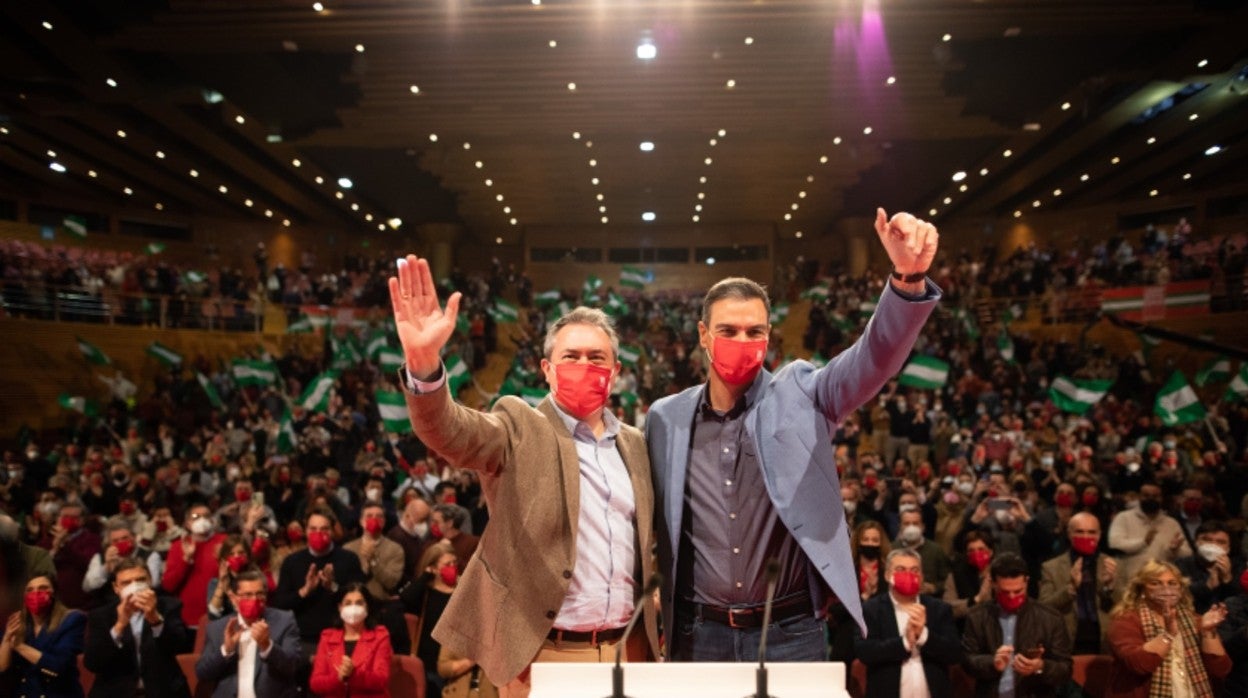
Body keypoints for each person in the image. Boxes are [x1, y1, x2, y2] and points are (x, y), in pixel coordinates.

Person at [646, 208, 940, 660]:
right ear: (703, 335)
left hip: (790, 631)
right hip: (697, 634)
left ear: (769, 336)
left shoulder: (805, 392)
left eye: (754, 331)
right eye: (728, 330)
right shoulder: (665, 418)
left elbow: (873, 359)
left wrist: (906, 281)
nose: (742, 340)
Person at [388, 255, 660, 697]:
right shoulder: (517, 424)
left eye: (597, 358)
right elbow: (450, 430)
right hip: (542, 656)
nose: (584, 365)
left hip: (628, 652)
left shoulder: (635, 443)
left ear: (616, 373)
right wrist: (423, 364)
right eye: (570, 356)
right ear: (547, 369)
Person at [1106, 559, 1230, 698]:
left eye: (1172, 583)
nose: (1166, 588)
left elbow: (1220, 670)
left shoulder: (1195, 619)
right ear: (1142, 590)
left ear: (1181, 589)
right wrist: (1168, 635)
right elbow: (1139, 664)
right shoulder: (1125, 621)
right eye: (1155, 583)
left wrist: (1208, 632)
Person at [961, 553, 1072, 698]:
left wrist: (1040, 666)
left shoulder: (1050, 618)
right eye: (1005, 592)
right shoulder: (977, 616)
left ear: (1026, 582)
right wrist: (992, 663)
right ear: (993, 583)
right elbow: (967, 660)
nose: (1012, 597)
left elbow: (1065, 669)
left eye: (1018, 591)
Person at [854, 549, 962, 698]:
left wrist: (924, 635)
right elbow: (864, 652)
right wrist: (904, 642)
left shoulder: (939, 609)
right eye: (900, 569)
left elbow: (954, 653)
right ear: (887, 575)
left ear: (922, 576)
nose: (908, 574)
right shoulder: (870, 610)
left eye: (915, 570)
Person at [82, 557, 190, 698]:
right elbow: (93, 663)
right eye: (126, 583)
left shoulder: (168, 606)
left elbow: (181, 646)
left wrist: (155, 619)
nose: (134, 586)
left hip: (163, 691)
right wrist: (119, 626)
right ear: (116, 588)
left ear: (150, 581)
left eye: (140, 580)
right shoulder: (101, 615)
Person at [270, 507, 365, 658]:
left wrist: (332, 587)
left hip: (340, 636)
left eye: (324, 529)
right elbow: (280, 603)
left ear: (333, 531)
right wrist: (304, 591)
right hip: (301, 639)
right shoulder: (292, 562)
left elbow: (361, 600)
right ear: (305, 531)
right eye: (313, 529)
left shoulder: (349, 559)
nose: (318, 534)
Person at [195, 568, 303, 698]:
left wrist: (268, 647)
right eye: (247, 595)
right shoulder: (217, 628)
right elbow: (202, 673)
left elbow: (293, 666)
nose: (254, 600)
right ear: (233, 598)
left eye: (259, 594)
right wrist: (225, 651)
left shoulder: (284, 621)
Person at [1038, 511, 1117, 654]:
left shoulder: (1113, 565)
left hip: (1103, 640)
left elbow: (1126, 606)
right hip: (1067, 640)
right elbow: (1044, 607)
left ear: (1099, 535)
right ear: (1069, 534)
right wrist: (1071, 587)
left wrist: (1109, 587)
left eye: (1091, 532)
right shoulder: (1051, 567)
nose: (1086, 537)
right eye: (1080, 532)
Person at [0, 574, 88, 698]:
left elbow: (58, 666)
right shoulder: (18, 622)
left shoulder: (71, 620)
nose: (35, 593)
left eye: (42, 588)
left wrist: (19, 646)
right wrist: (6, 638)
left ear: (54, 594)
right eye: (29, 590)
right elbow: (2, 667)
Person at [309, 583, 393, 698]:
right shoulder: (327, 637)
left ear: (367, 606)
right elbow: (316, 683)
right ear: (340, 607)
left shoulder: (380, 636)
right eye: (348, 603)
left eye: (359, 603)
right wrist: (338, 678)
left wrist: (354, 674)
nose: (353, 608)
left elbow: (381, 680)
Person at [1108, 482, 1191, 584]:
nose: (1151, 499)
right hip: (1129, 581)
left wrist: (1174, 550)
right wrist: (1143, 542)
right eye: (1146, 495)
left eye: (1155, 496)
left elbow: (1187, 553)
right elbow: (1116, 544)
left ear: (1161, 498)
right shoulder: (1123, 518)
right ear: (1139, 496)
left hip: (1161, 582)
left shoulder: (1172, 523)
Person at [162, 503, 227, 630]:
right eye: (195, 517)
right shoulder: (177, 546)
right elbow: (168, 585)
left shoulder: (224, 542)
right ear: (187, 524)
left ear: (212, 521)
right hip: (187, 619)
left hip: (219, 616)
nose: (201, 520)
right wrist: (186, 560)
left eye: (206, 516)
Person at [1174, 519, 1241, 613]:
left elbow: (1241, 601)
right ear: (1196, 542)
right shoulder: (1181, 565)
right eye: (1207, 540)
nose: (1213, 545)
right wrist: (1207, 585)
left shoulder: (1238, 566)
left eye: (1220, 542)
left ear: (1228, 548)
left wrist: (1227, 579)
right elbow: (1178, 596)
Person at [343, 502, 405, 601]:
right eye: (369, 516)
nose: (374, 519)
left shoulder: (395, 549)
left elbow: (391, 583)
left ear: (384, 521)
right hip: (354, 602)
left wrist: (373, 562)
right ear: (361, 521)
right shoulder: (348, 548)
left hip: (381, 603)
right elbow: (344, 580)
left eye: (379, 516)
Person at [47, 503, 99, 609]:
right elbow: (41, 567)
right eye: (65, 517)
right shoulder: (46, 540)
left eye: (73, 517)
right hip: (52, 599)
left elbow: (87, 564)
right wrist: (55, 549)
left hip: (80, 601)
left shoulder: (91, 539)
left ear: (82, 520)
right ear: (58, 519)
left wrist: (65, 544)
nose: (68, 520)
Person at [387, 496, 432, 579]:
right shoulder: (396, 537)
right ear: (408, 516)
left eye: (426, 520)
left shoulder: (415, 535)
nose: (424, 524)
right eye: (421, 520)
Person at [430, 504, 479, 575]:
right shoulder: (432, 543)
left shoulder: (473, 543)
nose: (432, 525)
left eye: (436, 522)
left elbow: (472, 572)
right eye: (432, 521)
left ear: (450, 523)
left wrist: (449, 552)